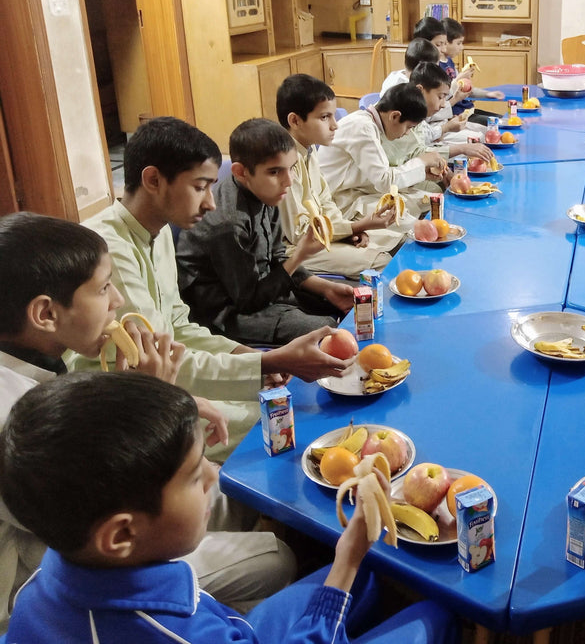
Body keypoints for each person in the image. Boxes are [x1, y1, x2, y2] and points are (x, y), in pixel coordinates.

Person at [0, 371, 460, 644]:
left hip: (234, 630)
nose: (213, 477)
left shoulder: (41, 585)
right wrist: (343, 562)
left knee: (371, 578)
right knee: (434, 614)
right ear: (121, 535)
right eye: (193, 475)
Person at [0, 213, 296, 628]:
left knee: (232, 492)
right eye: (104, 289)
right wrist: (154, 402)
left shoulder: (41, 354)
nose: (118, 301)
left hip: (86, 538)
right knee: (275, 556)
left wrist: (164, 398)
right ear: (46, 313)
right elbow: (95, 501)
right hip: (53, 579)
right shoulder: (9, 414)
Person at [69, 117, 351, 448]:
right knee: (280, 421)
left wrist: (248, 357)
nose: (211, 202)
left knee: (287, 403)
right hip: (127, 398)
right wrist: (268, 361)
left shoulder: (157, 232)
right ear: (153, 180)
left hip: (170, 375)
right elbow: (149, 361)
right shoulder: (106, 249)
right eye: (200, 187)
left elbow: (178, 327)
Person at [176, 118, 356, 345]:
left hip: (264, 288)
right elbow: (248, 301)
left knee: (351, 299)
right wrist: (301, 254)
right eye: (275, 172)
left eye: (292, 169)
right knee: (326, 329)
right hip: (226, 311)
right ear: (241, 172)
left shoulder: (266, 194)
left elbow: (277, 258)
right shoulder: (227, 225)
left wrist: (325, 288)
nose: (288, 181)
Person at [277, 73, 398, 278]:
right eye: (325, 117)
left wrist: (348, 232)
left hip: (321, 236)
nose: (335, 125)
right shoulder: (284, 163)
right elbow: (299, 234)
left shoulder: (309, 150)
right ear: (295, 121)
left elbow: (325, 201)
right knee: (382, 262)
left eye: (333, 116)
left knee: (397, 239)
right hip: (297, 250)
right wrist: (357, 226)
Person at [318, 84, 440, 238]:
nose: (407, 133)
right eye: (408, 127)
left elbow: (378, 174)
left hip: (356, 192)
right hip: (339, 202)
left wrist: (421, 172)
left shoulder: (371, 124)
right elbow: (384, 180)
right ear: (394, 116)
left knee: (424, 201)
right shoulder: (362, 127)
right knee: (405, 221)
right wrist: (422, 162)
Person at [441, 17, 504, 124]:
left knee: (504, 119)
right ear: (445, 43)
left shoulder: (449, 62)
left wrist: (488, 94)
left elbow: (467, 90)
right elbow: (444, 97)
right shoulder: (436, 67)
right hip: (457, 115)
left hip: (468, 111)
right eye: (458, 43)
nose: (462, 47)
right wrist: (457, 80)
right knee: (501, 124)